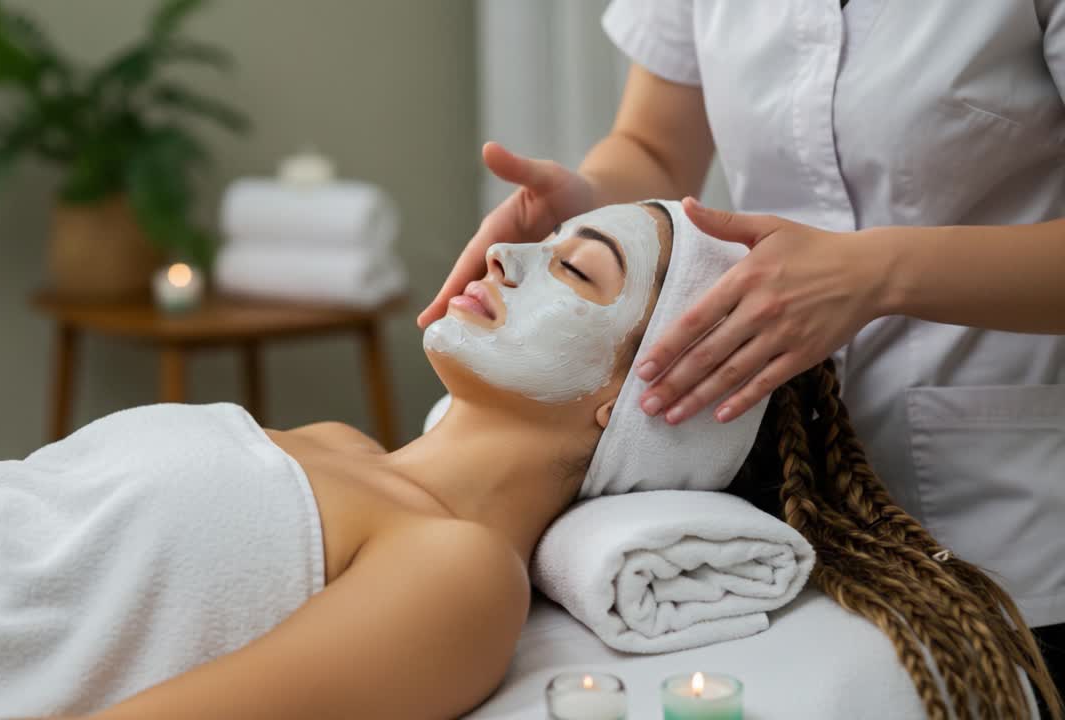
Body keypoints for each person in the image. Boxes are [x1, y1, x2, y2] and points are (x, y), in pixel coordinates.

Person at [0, 203, 1057, 720]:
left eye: (572, 269)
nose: (499, 256)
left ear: (648, 394)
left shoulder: (455, 577)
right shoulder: (338, 446)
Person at [419, 0, 1065, 710]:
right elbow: (655, 147)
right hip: (770, 507)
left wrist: (878, 272)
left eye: (574, 273)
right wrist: (592, 201)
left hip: (1014, 507)